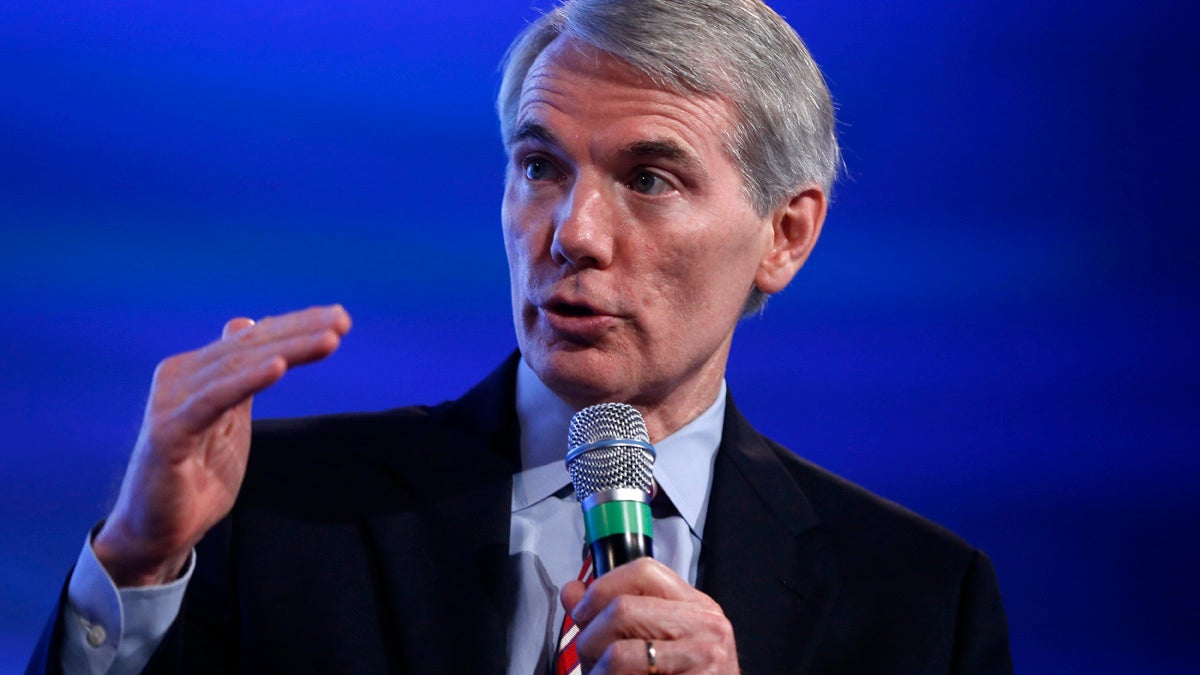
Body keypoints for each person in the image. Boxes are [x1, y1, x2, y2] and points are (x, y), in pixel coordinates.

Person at [30, 0, 1013, 673]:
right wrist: (137, 563)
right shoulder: (272, 512)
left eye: (649, 178)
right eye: (541, 165)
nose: (573, 233)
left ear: (785, 234)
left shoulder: (920, 600)